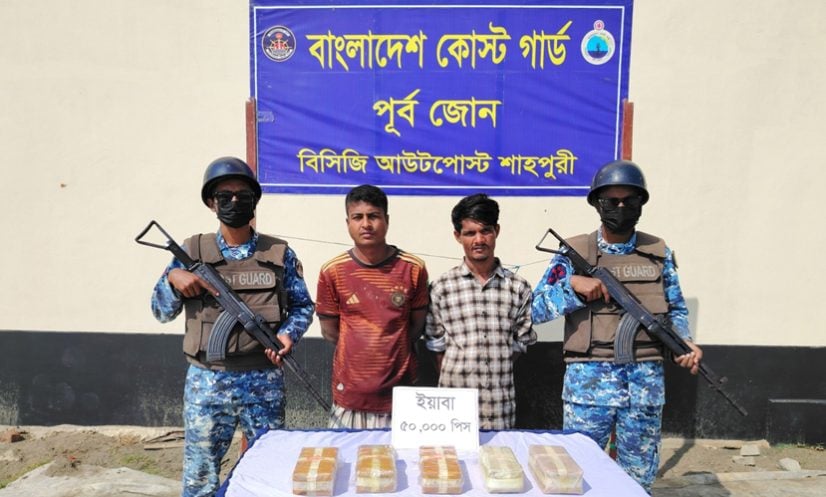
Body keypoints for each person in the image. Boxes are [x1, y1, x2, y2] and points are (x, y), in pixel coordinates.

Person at [531, 160, 702, 493]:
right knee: (576, 477)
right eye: (612, 201)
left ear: (641, 204)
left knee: (637, 481)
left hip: (644, 390)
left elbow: (676, 309)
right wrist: (573, 288)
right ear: (598, 204)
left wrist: (685, 342)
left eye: (629, 200)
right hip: (588, 389)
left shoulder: (658, 253)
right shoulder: (574, 252)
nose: (621, 208)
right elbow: (535, 309)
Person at [150, 157, 314, 497]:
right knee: (200, 478)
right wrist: (172, 280)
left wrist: (288, 334)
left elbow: (302, 306)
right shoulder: (192, 251)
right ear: (212, 203)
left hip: (263, 381)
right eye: (225, 196)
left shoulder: (279, 253)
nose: (234, 202)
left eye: (243, 195)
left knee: (270, 474)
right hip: (207, 383)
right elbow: (160, 312)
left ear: (254, 202)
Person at [315, 184, 429, 429]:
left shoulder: (413, 268)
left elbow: (415, 328)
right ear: (348, 223)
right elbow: (330, 331)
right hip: (350, 398)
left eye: (373, 216)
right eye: (358, 217)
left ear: (386, 220)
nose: (366, 224)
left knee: (401, 455)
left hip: (400, 397)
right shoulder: (332, 271)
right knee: (346, 454)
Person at [425, 193, 536, 430]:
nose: (479, 240)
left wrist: (493, 367)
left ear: (497, 231)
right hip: (453, 411)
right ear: (457, 236)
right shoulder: (442, 287)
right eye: (470, 233)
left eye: (485, 231)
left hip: (499, 409)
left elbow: (520, 344)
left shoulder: (518, 288)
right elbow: (436, 346)